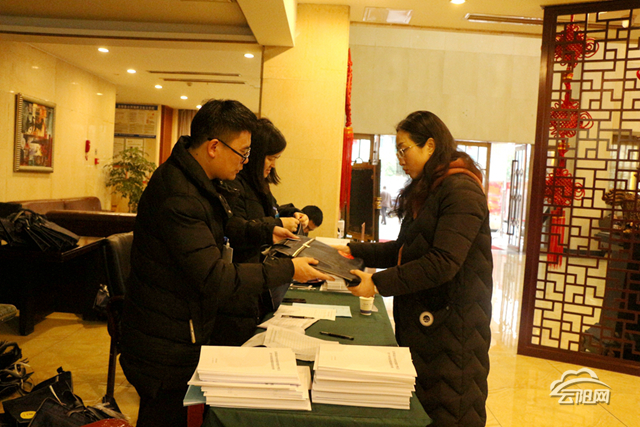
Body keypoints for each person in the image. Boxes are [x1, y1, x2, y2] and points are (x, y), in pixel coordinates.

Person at [119, 99, 330, 427]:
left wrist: (267, 229)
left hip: (179, 327)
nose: (246, 162)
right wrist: (289, 269)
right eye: (243, 152)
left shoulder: (197, 179)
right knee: (163, 415)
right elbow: (214, 276)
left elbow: (222, 225)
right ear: (214, 147)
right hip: (165, 340)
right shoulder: (179, 195)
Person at [335, 111, 492, 427]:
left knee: (451, 409)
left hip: (453, 326)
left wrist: (376, 284)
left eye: (404, 149)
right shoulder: (431, 188)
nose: (400, 158)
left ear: (430, 146)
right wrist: (353, 250)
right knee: (423, 408)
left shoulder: (461, 190)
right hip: (429, 322)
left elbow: (442, 262)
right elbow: (404, 250)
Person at [226, 117, 309, 262]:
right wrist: (279, 224)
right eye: (271, 158)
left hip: (261, 266)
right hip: (244, 267)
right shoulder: (233, 184)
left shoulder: (259, 184)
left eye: (276, 158)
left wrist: (293, 214)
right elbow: (237, 229)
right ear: (255, 156)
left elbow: (273, 211)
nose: (273, 165)